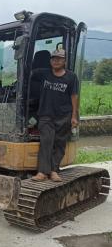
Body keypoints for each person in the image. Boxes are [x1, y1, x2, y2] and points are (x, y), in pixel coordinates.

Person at [30, 49, 79, 182]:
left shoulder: (71, 77)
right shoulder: (43, 74)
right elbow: (28, 72)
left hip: (64, 115)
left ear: (64, 61)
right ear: (50, 61)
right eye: (53, 59)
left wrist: (74, 116)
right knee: (46, 142)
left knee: (59, 144)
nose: (56, 61)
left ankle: (53, 171)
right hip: (46, 114)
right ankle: (42, 172)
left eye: (59, 59)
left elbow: (74, 96)